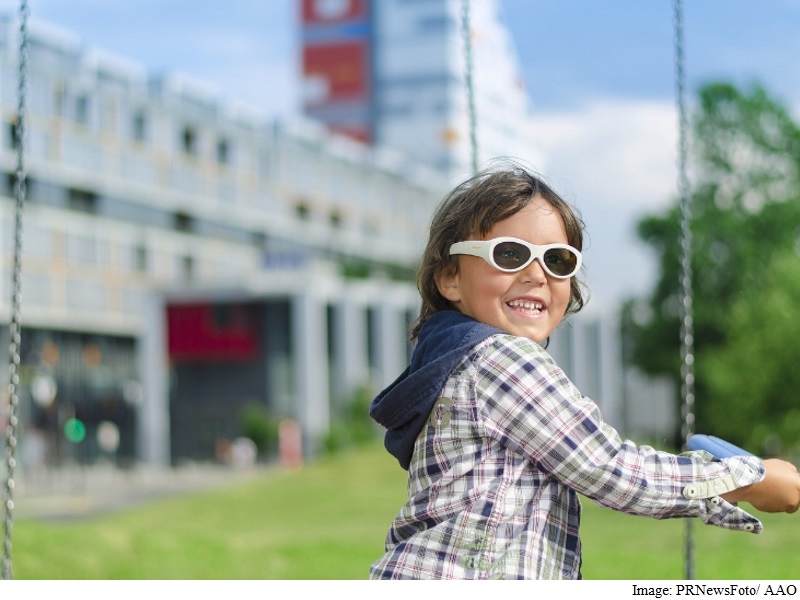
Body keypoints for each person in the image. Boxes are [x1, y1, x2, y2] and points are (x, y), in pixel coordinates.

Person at [368, 161, 800, 580]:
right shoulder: (501, 360)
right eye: (510, 254)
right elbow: (612, 471)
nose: (536, 274)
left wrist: (725, 489)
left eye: (557, 260)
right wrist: (750, 479)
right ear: (450, 278)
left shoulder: (452, 365)